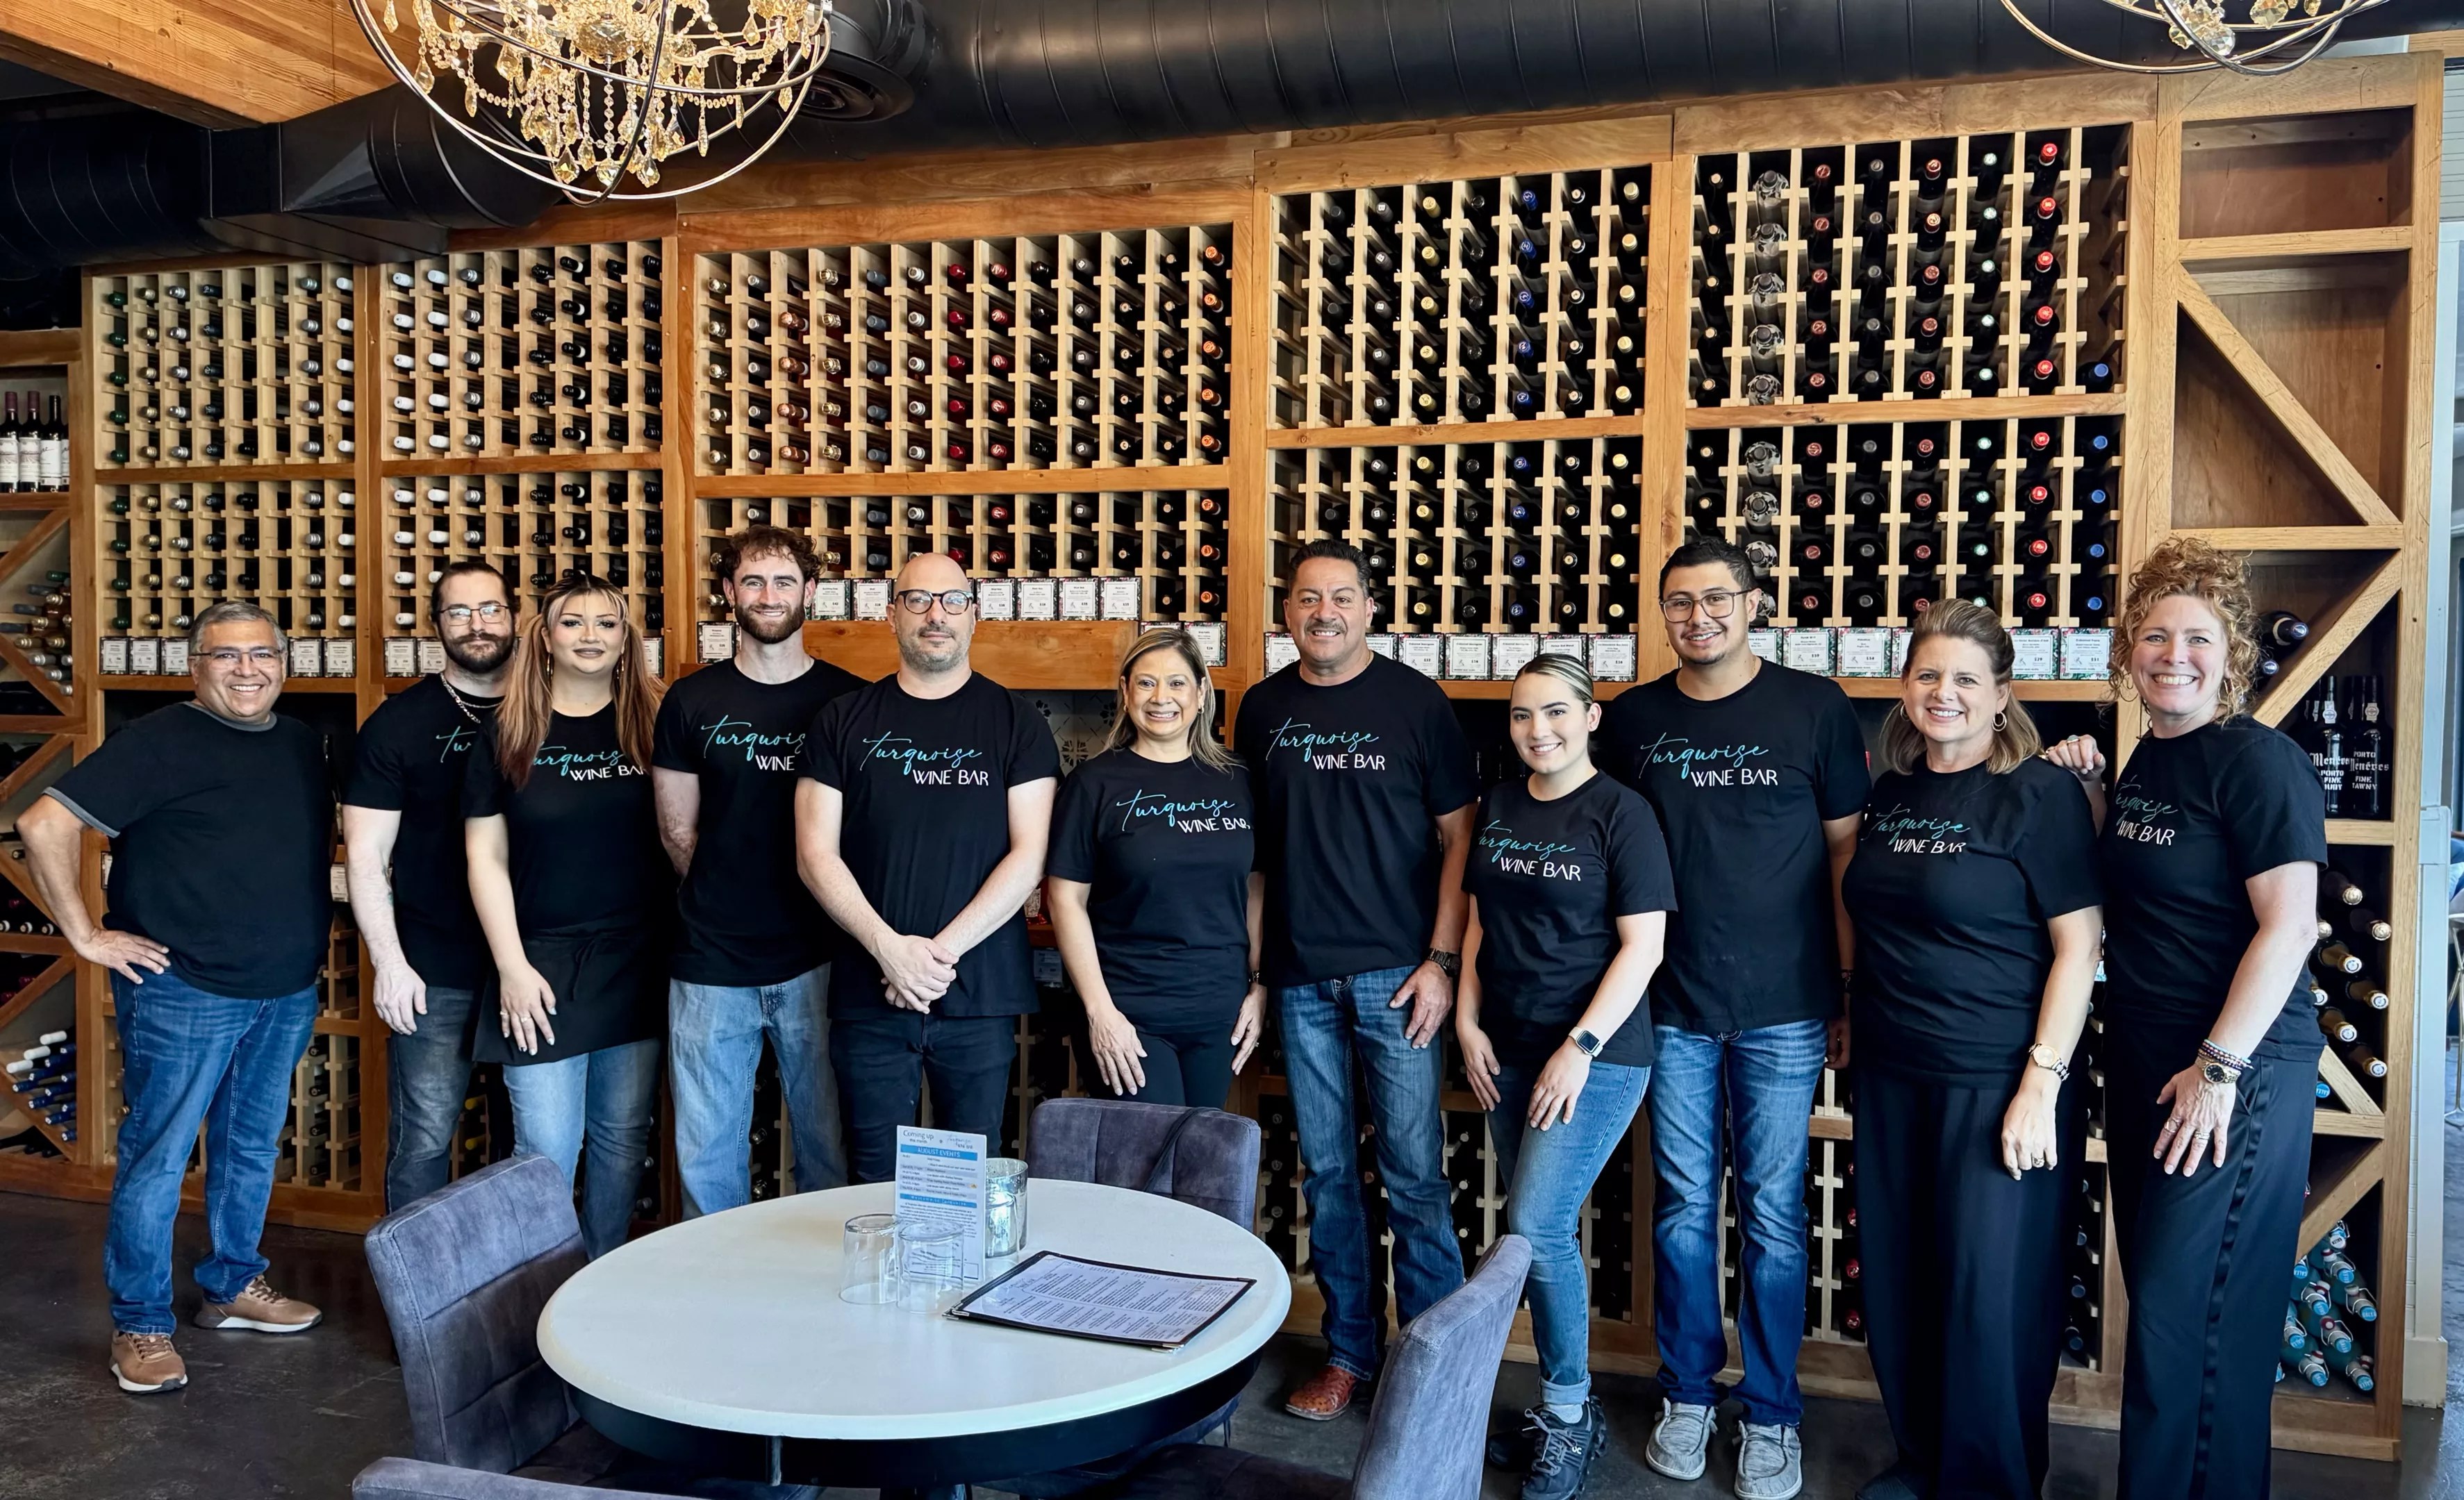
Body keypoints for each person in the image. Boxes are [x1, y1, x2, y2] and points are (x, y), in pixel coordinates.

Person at [2042, 536, 2324, 1499]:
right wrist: (2086, 793)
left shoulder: (2258, 762)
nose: (2173, 656)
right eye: (2154, 635)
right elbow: (2133, 898)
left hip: (2231, 1067)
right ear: (2128, 651)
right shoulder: (2146, 763)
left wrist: (2216, 1070)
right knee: (2169, 1316)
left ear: (2231, 653)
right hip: (2146, 1057)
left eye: (2197, 638)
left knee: (2190, 1320)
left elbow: (2289, 928)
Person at [1597, 537, 1868, 1498]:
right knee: (1680, 1209)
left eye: (1716, 598)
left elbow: (1843, 854)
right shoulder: (1631, 721)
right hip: (1670, 1003)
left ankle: (1771, 1411)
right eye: (1678, 602)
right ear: (1661, 614)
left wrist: (1843, 986)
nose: (1697, 616)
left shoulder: (1814, 707)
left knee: (1773, 1217)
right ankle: (1685, 1393)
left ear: (1755, 604)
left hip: (1784, 1007)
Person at [22, 601, 333, 1394]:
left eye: (262, 654)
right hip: (184, 988)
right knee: (158, 1158)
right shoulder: (157, 740)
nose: (247, 670)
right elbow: (43, 823)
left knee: (249, 1147)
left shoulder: (301, 742)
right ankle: (141, 1324)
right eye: (226, 656)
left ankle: (232, 1286)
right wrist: (86, 934)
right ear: (195, 666)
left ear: (285, 663)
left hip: (284, 988)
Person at [1842, 601, 2102, 1500]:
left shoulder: (2036, 795)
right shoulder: (1889, 795)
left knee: (1986, 1294)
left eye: (1963, 679)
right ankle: (1921, 1464)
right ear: (1903, 687)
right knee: (1902, 1279)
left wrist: (2040, 1083)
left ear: (2000, 695)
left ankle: (1988, 1483)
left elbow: (2078, 944)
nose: (1942, 692)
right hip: (1890, 1071)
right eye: (1927, 675)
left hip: (1995, 1078)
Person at [1233, 539, 1480, 1421]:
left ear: (1371, 608)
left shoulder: (1416, 702)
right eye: (1307, 598)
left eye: (1341, 597)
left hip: (1398, 979)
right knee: (1329, 1175)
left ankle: (1434, 1372)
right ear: (1287, 612)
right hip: (1301, 979)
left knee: (1413, 1178)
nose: (1324, 613)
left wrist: (1442, 962)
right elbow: (1256, 860)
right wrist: (1258, 973)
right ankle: (1348, 1355)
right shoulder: (1262, 709)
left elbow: (1461, 839)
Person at [1457, 654, 1673, 1500]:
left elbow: (1643, 947)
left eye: (1554, 712)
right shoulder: (1500, 805)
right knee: (1531, 1235)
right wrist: (1468, 1021)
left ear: (1590, 717)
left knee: (1536, 1224)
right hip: (1507, 1047)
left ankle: (1570, 1412)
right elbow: (1479, 921)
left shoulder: (1622, 813)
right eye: (1521, 715)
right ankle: (1559, 1406)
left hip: (1595, 1056)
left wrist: (1578, 1046)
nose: (1537, 730)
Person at [796, 552, 1057, 1183]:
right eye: (917, 600)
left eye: (951, 601)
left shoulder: (1017, 722)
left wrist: (933, 960)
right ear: (891, 615)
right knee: (872, 1179)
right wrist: (889, 951)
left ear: (974, 615)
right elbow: (814, 853)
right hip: (869, 990)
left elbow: (1029, 856)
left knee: (971, 1177)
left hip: (977, 992)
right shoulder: (842, 720)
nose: (935, 614)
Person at [652, 527, 863, 1217]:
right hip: (711, 961)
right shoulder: (690, 701)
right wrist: (728, 891)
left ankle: (828, 1275)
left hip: (822, 958)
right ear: (728, 593)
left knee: (829, 1148)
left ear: (810, 592)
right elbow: (677, 830)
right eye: (752, 581)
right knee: (707, 1157)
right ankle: (715, 1280)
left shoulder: (850, 703)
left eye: (783, 582)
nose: (768, 596)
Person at [463, 574, 672, 1260]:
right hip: (540, 966)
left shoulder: (655, 724)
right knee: (546, 1149)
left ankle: (600, 1275)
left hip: (636, 960)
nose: (591, 636)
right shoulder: (508, 731)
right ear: (546, 638)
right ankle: (540, 1293)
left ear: (626, 640)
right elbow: (485, 858)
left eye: (607, 624)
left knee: (621, 1140)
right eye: (573, 622)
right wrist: (512, 967)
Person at [343, 562, 517, 1212]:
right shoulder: (399, 723)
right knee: (422, 1140)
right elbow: (365, 855)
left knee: (531, 1142)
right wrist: (390, 964)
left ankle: (517, 1270)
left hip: (536, 966)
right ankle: (413, 1276)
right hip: (434, 970)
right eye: (459, 613)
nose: (477, 625)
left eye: (490, 609)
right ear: (435, 625)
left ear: (514, 617)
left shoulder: (553, 710)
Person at [1047, 627, 1264, 1108]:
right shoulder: (1094, 784)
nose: (1160, 697)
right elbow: (1064, 899)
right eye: (1146, 683)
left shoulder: (1237, 779)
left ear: (1201, 693)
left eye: (1176, 683)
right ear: (1125, 693)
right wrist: (1100, 1012)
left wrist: (1259, 984)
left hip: (1219, 1013)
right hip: (1129, 1011)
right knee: (1147, 1151)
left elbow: (1254, 887)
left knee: (1200, 1149)